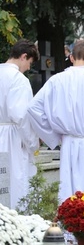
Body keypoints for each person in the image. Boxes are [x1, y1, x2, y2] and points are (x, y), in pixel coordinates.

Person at [27, 39, 84, 202]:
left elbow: (33, 108)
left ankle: (68, 225)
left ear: (71, 57)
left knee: (70, 191)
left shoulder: (57, 81)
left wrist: (53, 136)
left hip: (69, 143)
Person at [0, 39, 40, 209]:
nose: (29, 68)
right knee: (15, 185)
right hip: (12, 137)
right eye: (30, 63)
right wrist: (33, 143)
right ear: (24, 57)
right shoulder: (18, 79)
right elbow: (21, 116)